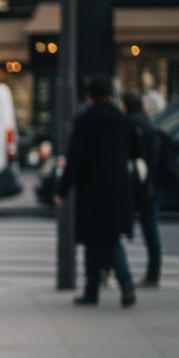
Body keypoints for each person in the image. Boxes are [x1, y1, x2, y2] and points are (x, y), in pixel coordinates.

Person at [55, 75, 139, 308]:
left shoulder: (85, 120)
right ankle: (124, 282)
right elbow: (134, 151)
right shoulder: (122, 120)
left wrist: (62, 190)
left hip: (92, 190)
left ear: (90, 95)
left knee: (93, 241)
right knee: (112, 239)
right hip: (118, 189)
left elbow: (75, 160)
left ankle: (92, 290)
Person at [122, 91, 163, 287]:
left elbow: (133, 155)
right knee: (150, 229)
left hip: (137, 184)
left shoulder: (131, 123)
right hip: (151, 184)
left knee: (116, 228)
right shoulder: (147, 122)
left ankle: (107, 269)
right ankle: (153, 273)